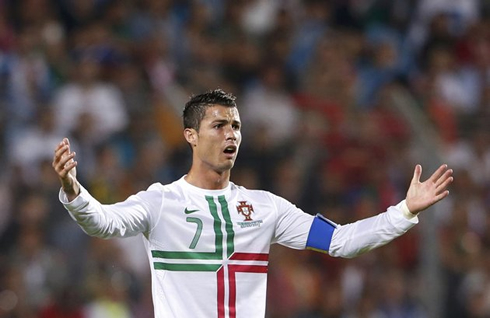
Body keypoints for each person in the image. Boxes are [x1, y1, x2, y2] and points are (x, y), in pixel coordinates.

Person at [52, 89, 453, 318]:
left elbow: (341, 241)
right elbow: (103, 223)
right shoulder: (161, 202)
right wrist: (73, 189)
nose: (232, 135)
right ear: (191, 135)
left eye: (237, 126)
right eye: (219, 125)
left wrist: (404, 211)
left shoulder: (266, 208)